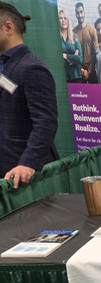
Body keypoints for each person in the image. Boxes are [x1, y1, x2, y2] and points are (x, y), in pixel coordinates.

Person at [0, 2, 58, 188]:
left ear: (8, 27)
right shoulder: (4, 65)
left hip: (24, 176)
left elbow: (45, 123)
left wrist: (27, 163)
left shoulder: (32, 68)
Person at [72, 2, 96, 82]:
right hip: (78, 70)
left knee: (95, 93)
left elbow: (95, 53)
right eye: (78, 13)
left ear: (84, 12)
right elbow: (73, 54)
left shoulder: (92, 31)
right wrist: (82, 70)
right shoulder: (73, 33)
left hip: (92, 70)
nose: (80, 15)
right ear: (75, 15)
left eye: (81, 12)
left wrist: (89, 71)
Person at [58, 9, 83, 83]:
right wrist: (73, 59)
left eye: (65, 18)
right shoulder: (56, 38)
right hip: (63, 77)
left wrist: (65, 56)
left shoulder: (75, 37)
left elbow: (80, 59)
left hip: (76, 76)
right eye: (61, 18)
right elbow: (56, 58)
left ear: (68, 20)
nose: (63, 20)